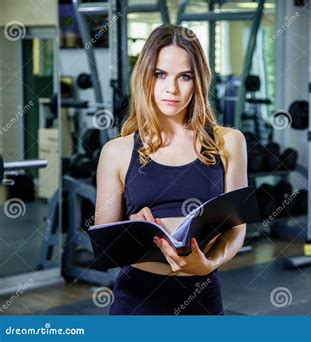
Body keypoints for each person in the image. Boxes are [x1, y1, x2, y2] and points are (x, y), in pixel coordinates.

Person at [95, 24, 248, 315]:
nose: (172, 88)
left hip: (202, 292)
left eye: (184, 77)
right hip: (137, 297)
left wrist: (209, 264)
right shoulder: (116, 151)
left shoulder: (229, 142)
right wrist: (131, 226)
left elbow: (237, 228)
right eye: (161, 74)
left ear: (198, 80)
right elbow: (106, 243)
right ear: (146, 78)